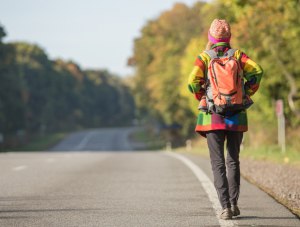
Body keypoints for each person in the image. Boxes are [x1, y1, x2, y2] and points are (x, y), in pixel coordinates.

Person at [188, 19, 263, 220]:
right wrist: (246, 92)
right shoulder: (238, 56)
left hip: (211, 116)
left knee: (217, 163)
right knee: (233, 161)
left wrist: (203, 96)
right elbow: (257, 71)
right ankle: (235, 203)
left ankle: (225, 207)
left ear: (210, 38)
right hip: (236, 114)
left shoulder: (204, 58)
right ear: (228, 37)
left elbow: (192, 81)